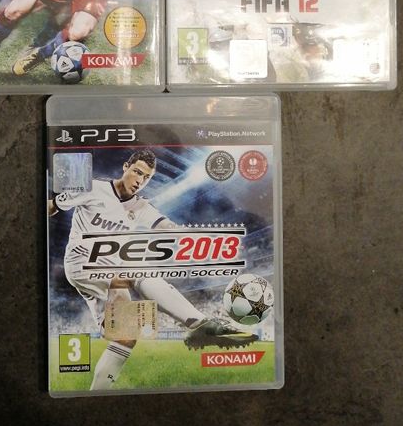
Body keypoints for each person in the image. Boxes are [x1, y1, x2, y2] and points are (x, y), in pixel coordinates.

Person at [49, 149, 258, 391]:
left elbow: (168, 227)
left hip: (109, 270)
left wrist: (199, 238)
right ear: (126, 167)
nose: (140, 180)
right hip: (81, 263)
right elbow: (53, 205)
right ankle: (199, 324)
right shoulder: (93, 188)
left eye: (146, 177)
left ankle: (95, 395)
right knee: (133, 270)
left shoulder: (141, 207)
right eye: (137, 172)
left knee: (126, 335)